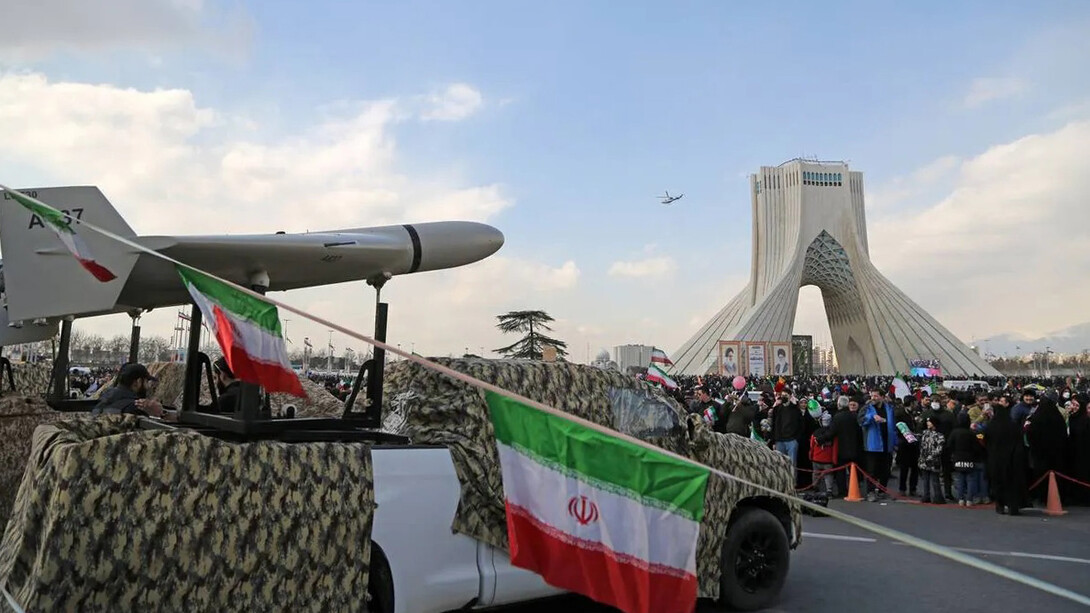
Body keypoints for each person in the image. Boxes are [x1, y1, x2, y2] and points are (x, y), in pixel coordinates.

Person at [985, 400, 1029, 515]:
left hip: (996, 460)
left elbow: (987, 442)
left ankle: (999, 506)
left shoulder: (991, 426)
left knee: (998, 483)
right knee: (1012, 484)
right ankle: (1013, 507)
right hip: (1012, 460)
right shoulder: (1013, 425)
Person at [92, 363, 171, 419]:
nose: (148, 386)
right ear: (138, 382)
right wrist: (157, 413)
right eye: (146, 382)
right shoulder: (136, 408)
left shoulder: (104, 397)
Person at [859, 389, 898, 501]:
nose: (873, 398)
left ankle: (882, 491)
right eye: (872, 396)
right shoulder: (867, 408)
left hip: (887, 444)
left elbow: (893, 426)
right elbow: (860, 421)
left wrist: (895, 443)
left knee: (885, 470)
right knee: (872, 470)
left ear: (882, 397)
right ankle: (870, 492)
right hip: (873, 444)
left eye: (876, 396)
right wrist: (871, 418)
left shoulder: (889, 408)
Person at [918, 417, 946, 504]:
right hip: (924, 460)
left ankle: (937, 497)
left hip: (934, 461)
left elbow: (939, 448)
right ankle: (926, 496)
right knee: (925, 479)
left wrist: (931, 456)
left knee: (935, 480)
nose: (927, 423)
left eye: (929, 422)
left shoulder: (940, 435)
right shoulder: (924, 433)